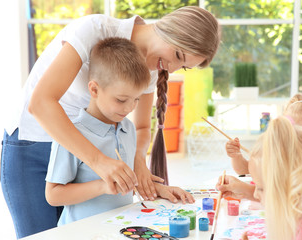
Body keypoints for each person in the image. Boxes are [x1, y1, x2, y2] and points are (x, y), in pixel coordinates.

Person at [0, 6, 220, 238]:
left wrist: (138, 164)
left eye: (183, 66)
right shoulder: (94, 30)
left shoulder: (154, 67)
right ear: (170, 30)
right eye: (177, 56)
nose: (172, 69)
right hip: (34, 145)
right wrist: (99, 162)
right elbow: (41, 103)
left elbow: (143, 127)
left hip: (87, 155)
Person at [45, 38, 194, 226]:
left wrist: (158, 190)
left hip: (117, 229)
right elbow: (53, 195)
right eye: (121, 100)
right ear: (94, 89)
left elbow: (128, 184)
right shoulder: (71, 135)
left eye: (136, 100)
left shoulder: (127, 129)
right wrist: (102, 186)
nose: (129, 108)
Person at [221, 93, 302, 200]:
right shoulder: (283, 154)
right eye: (291, 129)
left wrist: (245, 190)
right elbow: (249, 170)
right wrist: (237, 157)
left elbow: (292, 203)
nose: (295, 137)